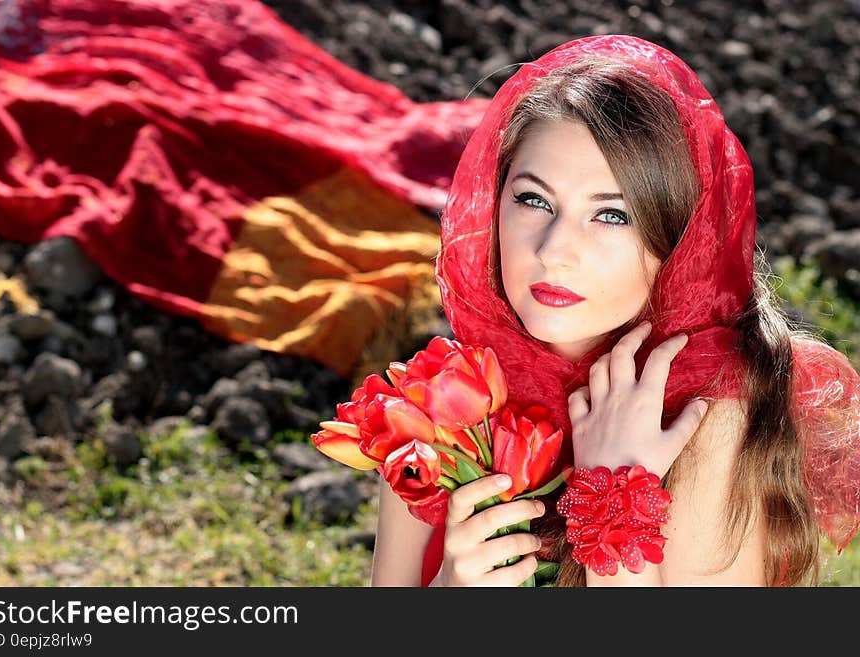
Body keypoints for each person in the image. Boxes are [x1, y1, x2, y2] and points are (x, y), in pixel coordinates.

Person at [369, 34, 860, 587]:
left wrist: (615, 492)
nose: (554, 250)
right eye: (533, 200)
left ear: (678, 239)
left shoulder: (705, 414)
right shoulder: (441, 402)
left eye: (612, 216)